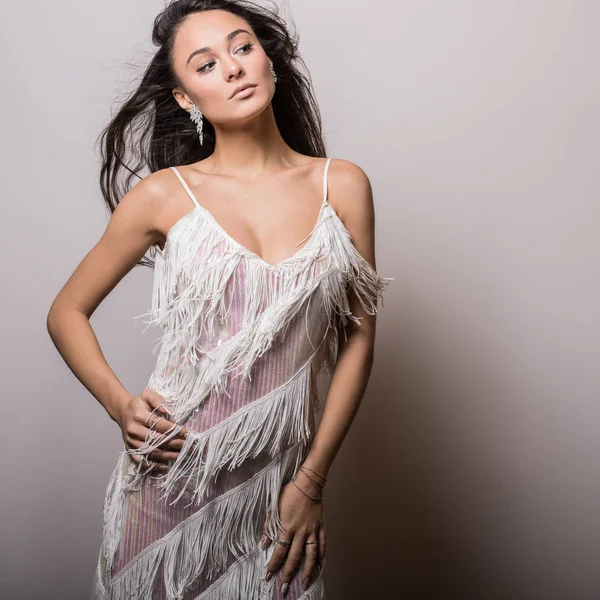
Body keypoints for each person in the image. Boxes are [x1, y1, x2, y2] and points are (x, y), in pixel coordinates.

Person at [46, 1, 393, 598]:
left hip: (279, 496)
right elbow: (66, 311)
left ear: (269, 61)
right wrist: (118, 404)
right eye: (204, 64)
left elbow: (358, 340)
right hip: (165, 485)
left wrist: (309, 483)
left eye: (242, 47)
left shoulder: (343, 185)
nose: (232, 68)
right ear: (185, 97)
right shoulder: (164, 196)